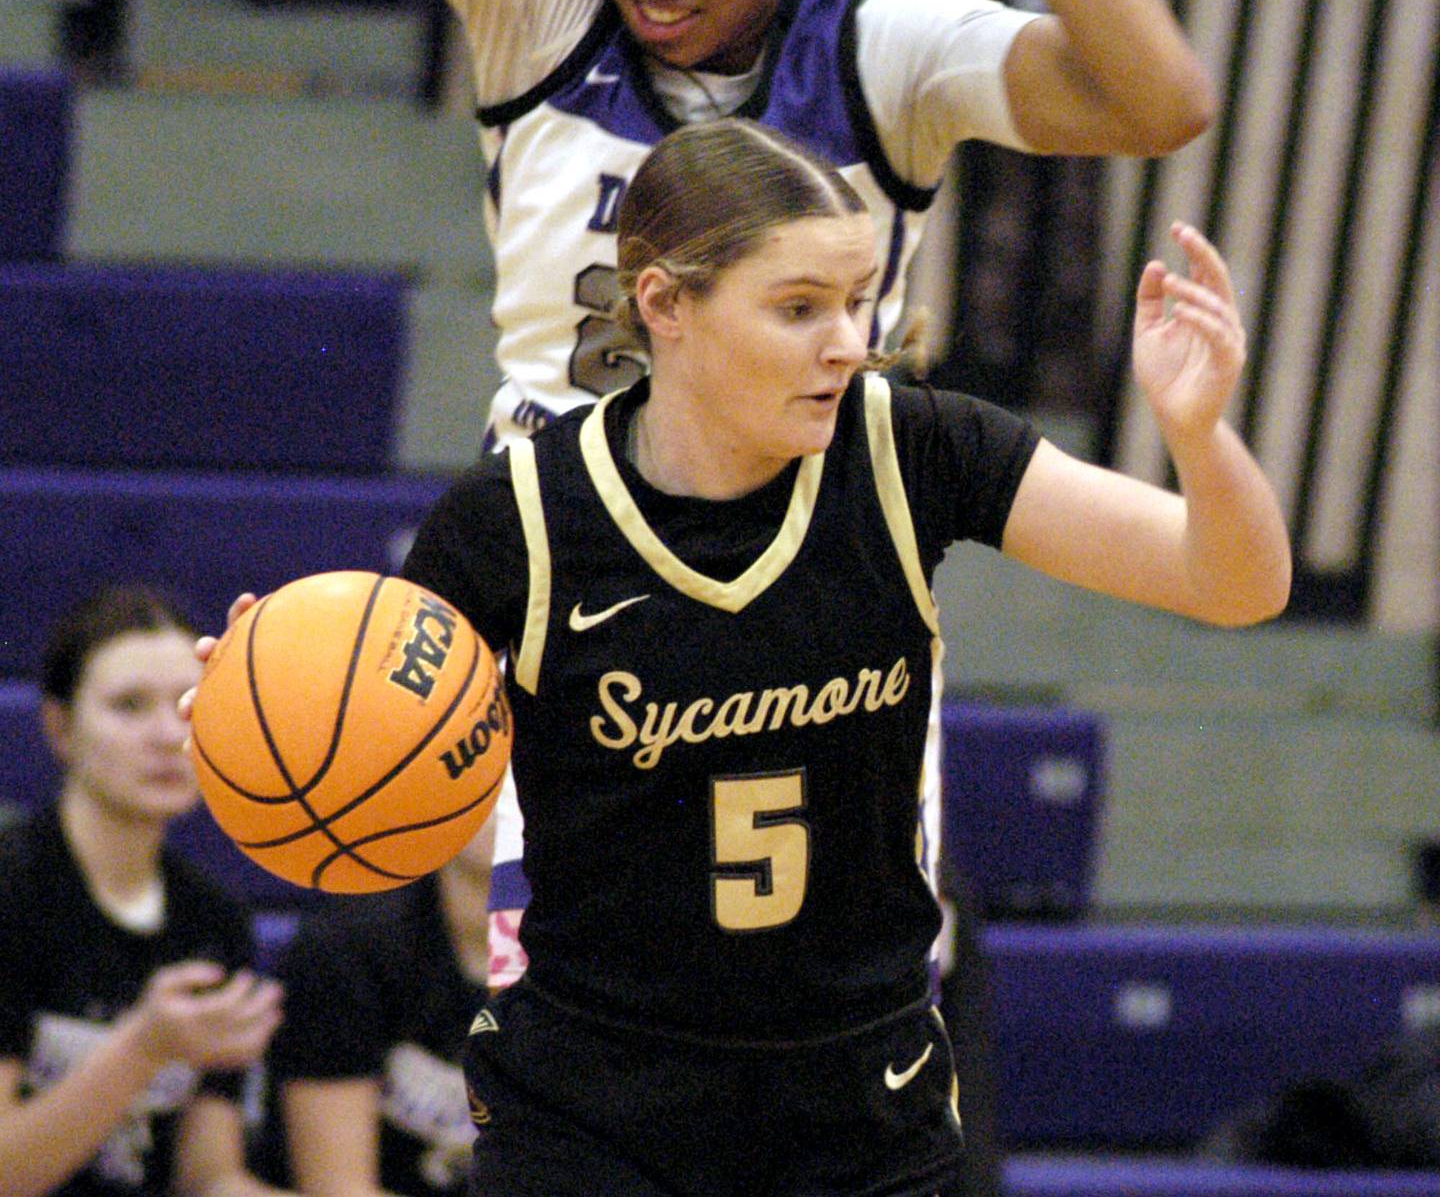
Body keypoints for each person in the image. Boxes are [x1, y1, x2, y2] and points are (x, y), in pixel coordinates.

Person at [322, 0, 1216, 1186]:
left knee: (831, 1059)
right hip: (569, 588)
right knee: (591, 1069)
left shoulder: (883, 44)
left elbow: (1161, 98)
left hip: (819, 594)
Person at [387, 119, 1291, 1196]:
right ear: (666, 306)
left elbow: (1236, 583)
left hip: (860, 1095)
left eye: (858, 298)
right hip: (592, 1105)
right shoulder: (519, 517)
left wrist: (1200, 434)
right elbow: (367, 743)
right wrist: (266, 697)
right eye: (800, 306)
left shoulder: (915, 449)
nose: (848, 339)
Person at [0, 585, 292, 1197]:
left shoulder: (213, 919)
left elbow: (208, 1175)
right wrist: (143, 1046)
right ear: (59, 727)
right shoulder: (13, 889)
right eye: (129, 706)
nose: (166, 735)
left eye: (187, 705)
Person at [258, 814, 495, 1197]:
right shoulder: (345, 946)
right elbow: (335, 1187)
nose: (509, 806)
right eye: (496, 783)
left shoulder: (603, 957)